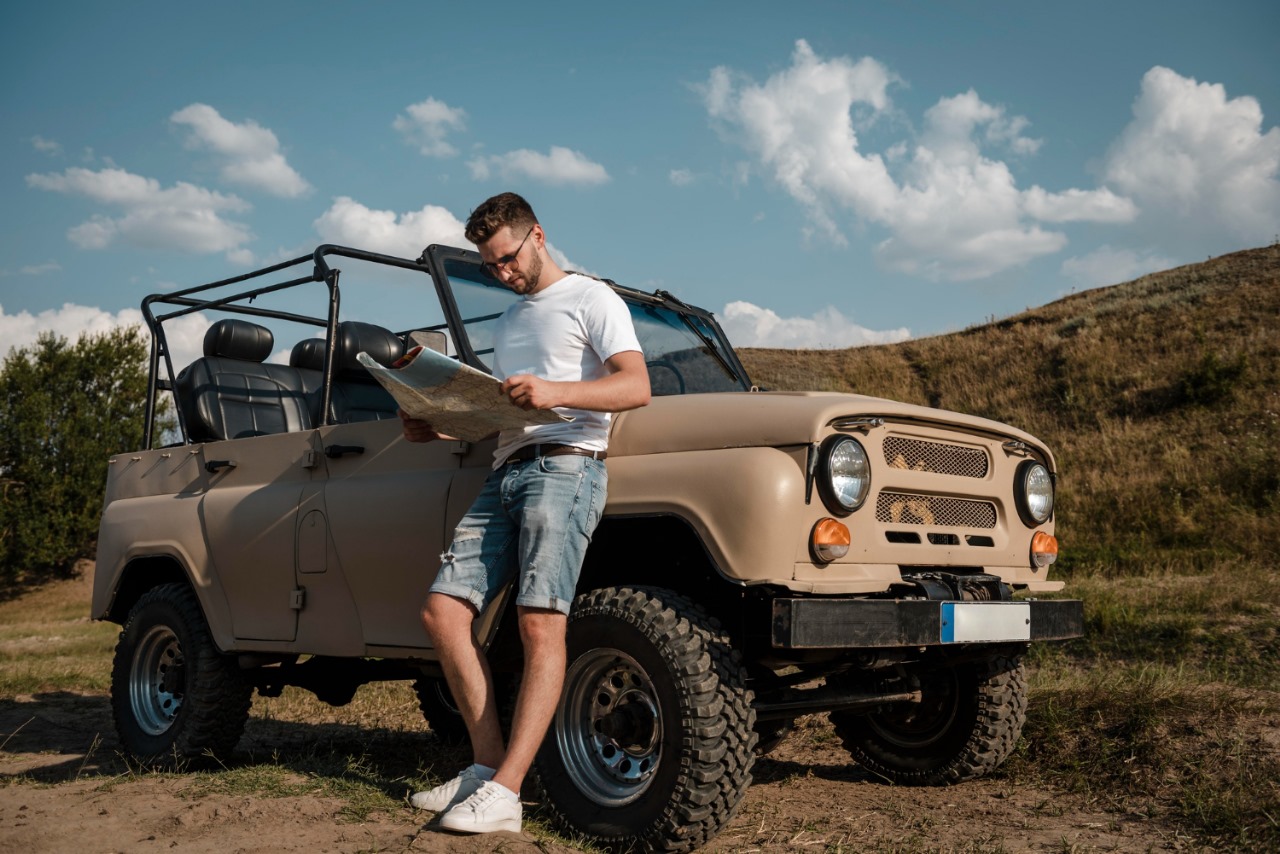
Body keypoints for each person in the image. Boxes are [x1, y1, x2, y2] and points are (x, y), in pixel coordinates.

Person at [401, 192, 651, 834]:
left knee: (540, 624)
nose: (502, 273)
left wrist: (556, 392)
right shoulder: (509, 322)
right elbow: (503, 413)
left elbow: (634, 386)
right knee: (443, 612)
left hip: (567, 466)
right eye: (491, 265)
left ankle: (509, 792)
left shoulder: (594, 299)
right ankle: (485, 770)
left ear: (537, 235)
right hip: (506, 467)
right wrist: (442, 426)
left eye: (508, 258)